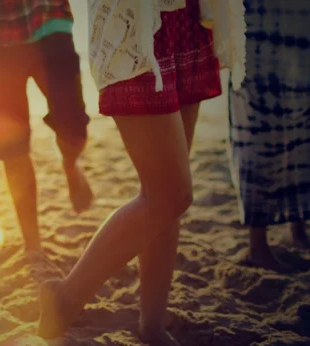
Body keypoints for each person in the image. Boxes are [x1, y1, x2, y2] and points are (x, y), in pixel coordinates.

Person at [37, 0, 246, 344]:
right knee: (169, 194)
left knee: (165, 195)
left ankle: (151, 323)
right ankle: (65, 297)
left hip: (187, 23)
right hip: (135, 31)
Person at [0, 0, 93, 255]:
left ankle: (70, 164)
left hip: (48, 20)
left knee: (74, 127)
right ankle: (33, 245)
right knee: (12, 147)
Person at [229, 0, 310, 272]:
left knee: (305, 115)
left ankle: (298, 226)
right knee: (258, 122)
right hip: (254, 15)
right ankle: (257, 243)